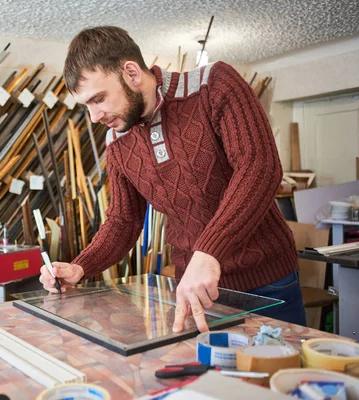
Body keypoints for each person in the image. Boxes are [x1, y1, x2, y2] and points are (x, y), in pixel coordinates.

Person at [39, 26, 306, 333]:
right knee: (208, 380)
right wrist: (81, 266)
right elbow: (123, 221)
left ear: (131, 73)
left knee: (283, 376)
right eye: (87, 105)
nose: (95, 116)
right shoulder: (117, 141)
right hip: (194, 292)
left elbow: (259, 168)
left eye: (99, 98)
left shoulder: (213, 86)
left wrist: (208, 254)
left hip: (267, 281)